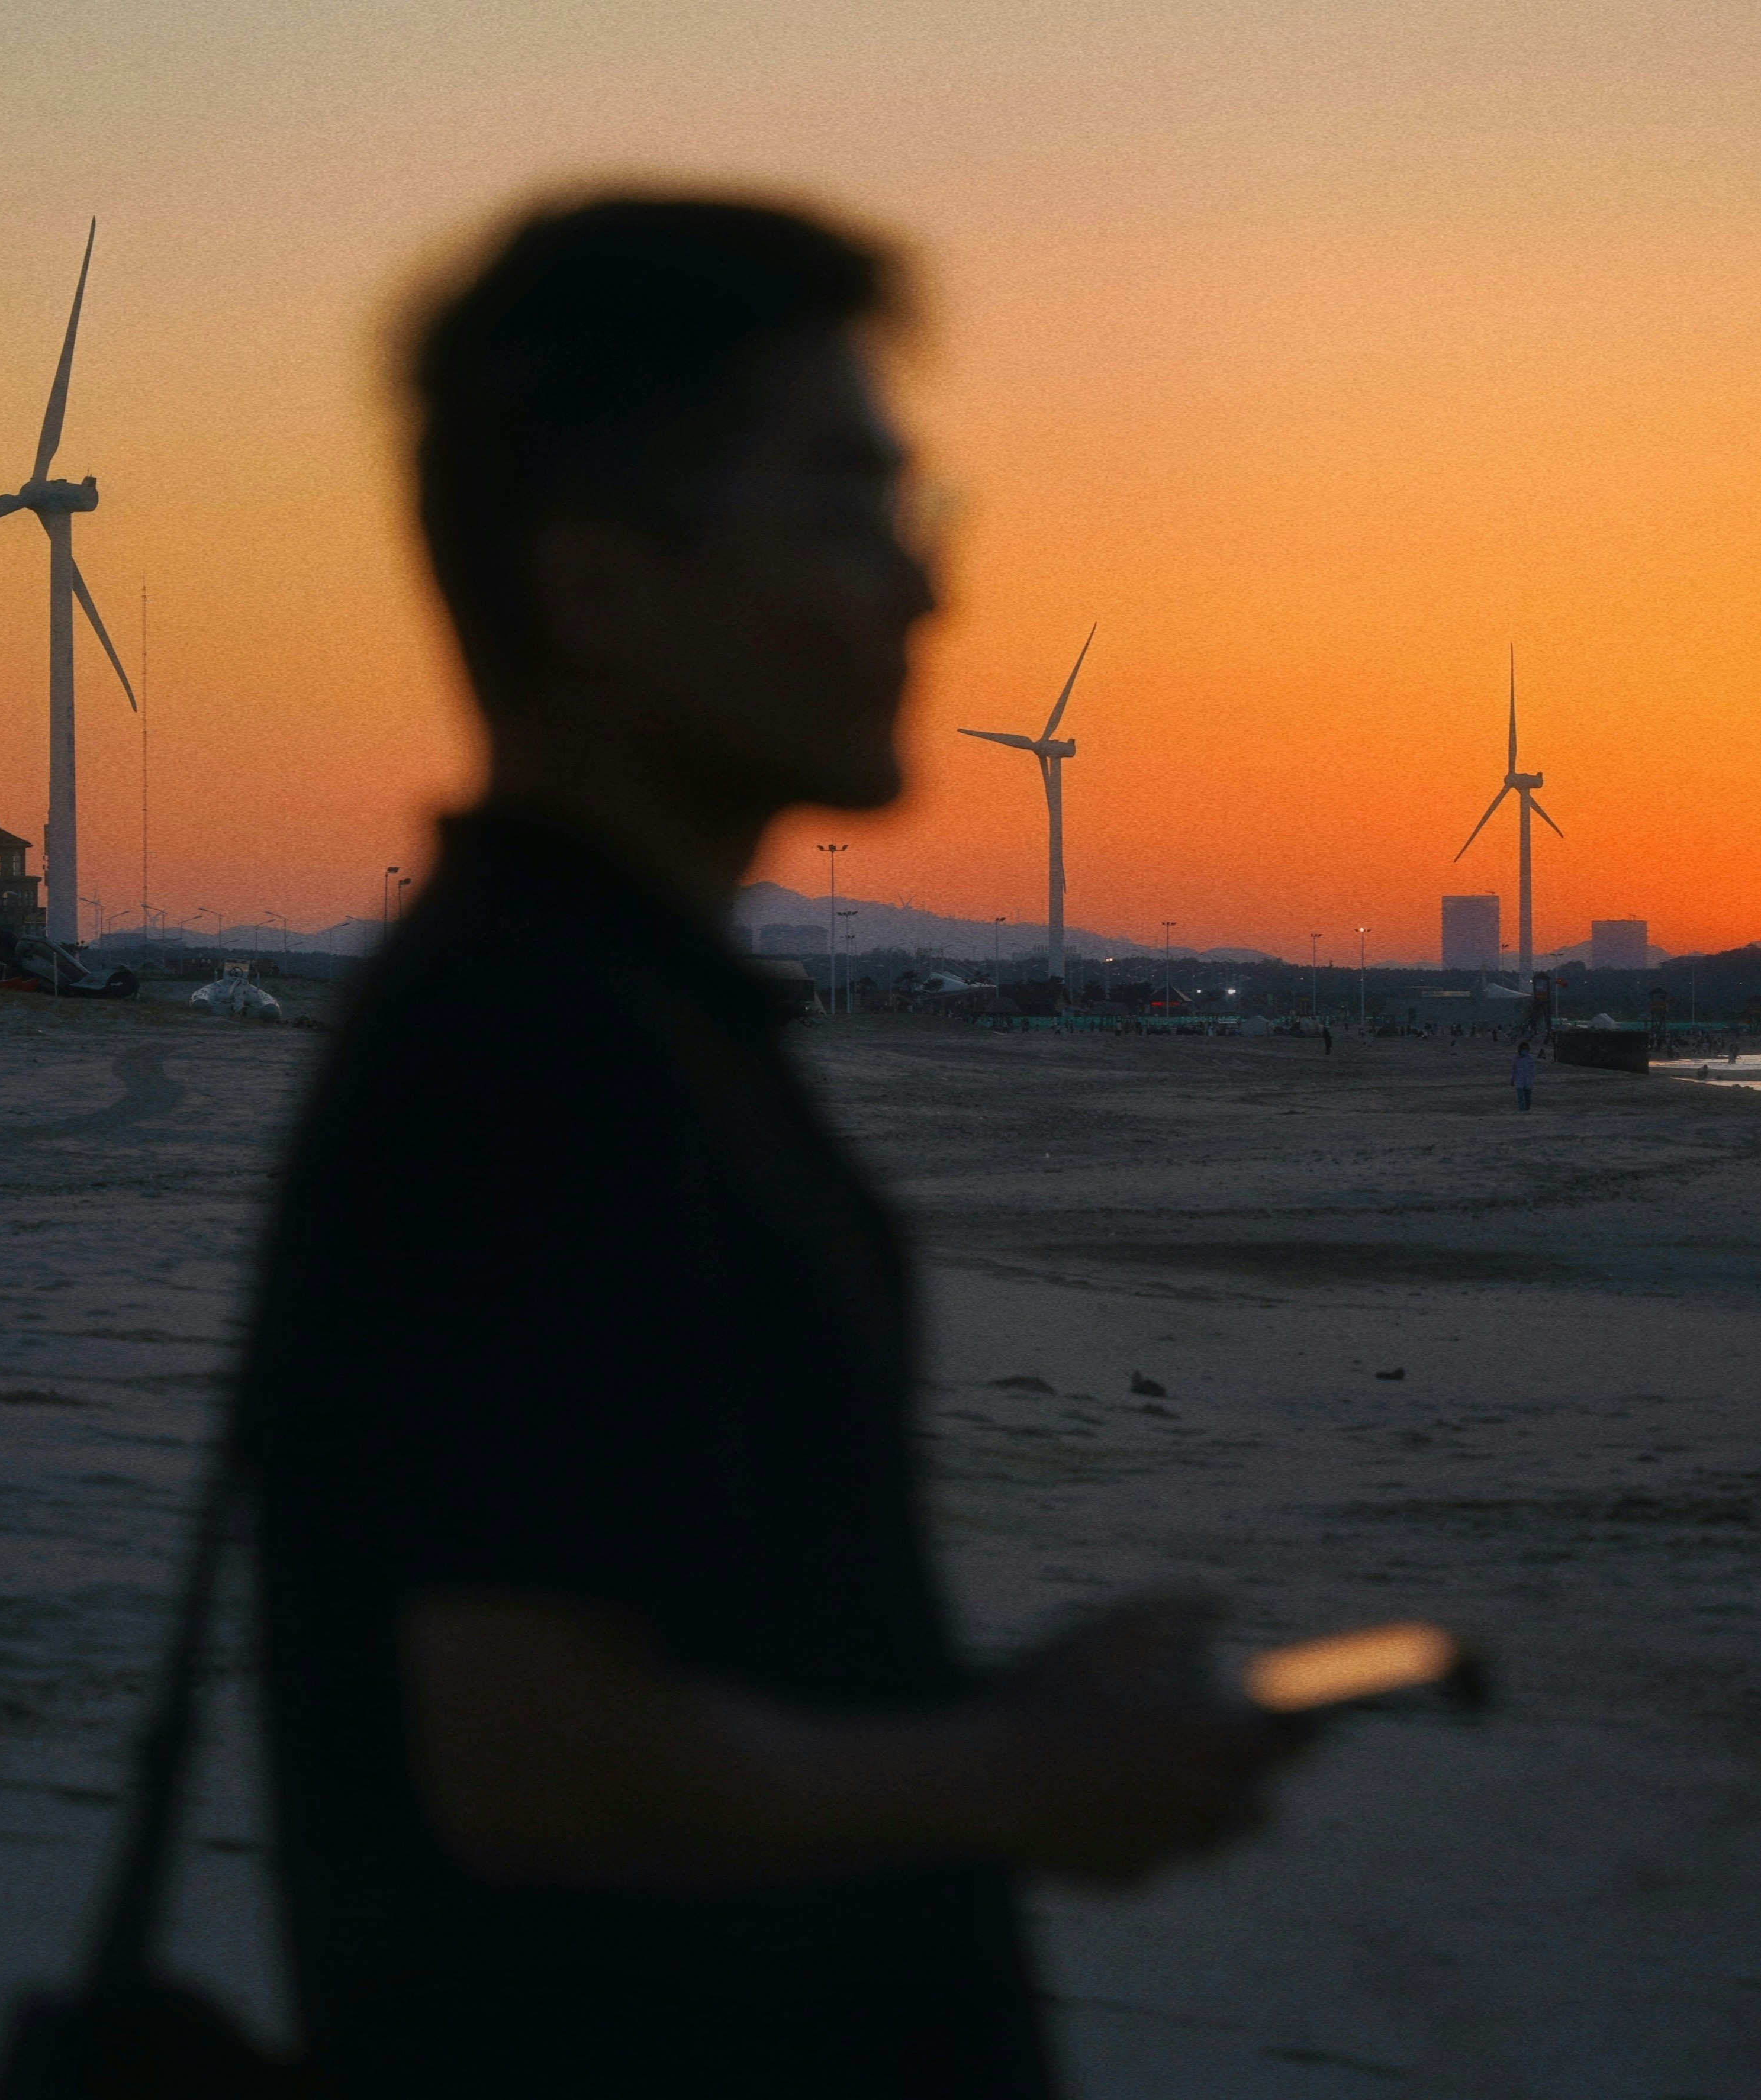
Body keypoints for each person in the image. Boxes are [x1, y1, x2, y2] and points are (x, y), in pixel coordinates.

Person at [242, 195, 1307, 2100]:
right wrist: (1018, 1776)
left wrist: (993, 1711)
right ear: (598, 589)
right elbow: (536, 1760)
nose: (923, 589)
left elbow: (673, 1653)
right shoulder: (528, 1052)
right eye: (843, 502)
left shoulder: (614, 1015)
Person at [1512, 1038, 1537, 1110]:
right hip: (1519, 1080)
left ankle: (1527, 1110)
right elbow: (1514, 1070)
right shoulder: (1516, 1059)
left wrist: (1532, 1078)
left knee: (1528, 1098)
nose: (1524, 1050)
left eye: (1525, 1049)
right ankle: (1522, 1110)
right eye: (1523, 1049)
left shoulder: (1530, 1059)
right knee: (1521, 1098)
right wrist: (1513, 1079)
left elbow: (1533, 1070)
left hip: (1528, 1081)